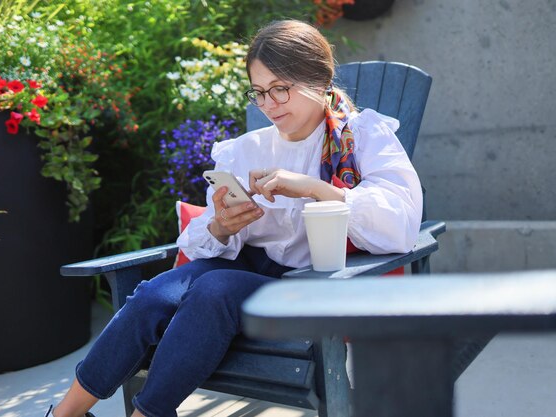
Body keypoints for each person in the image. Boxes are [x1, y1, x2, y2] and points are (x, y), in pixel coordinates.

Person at [47, 19, 422, 417]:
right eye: (259, 93)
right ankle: (64, 414)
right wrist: (223, 225)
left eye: (280, 89)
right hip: (242, 269)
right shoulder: (246, 150)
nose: (269, 105)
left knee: (214, 290)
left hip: (307, 283)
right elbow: (204, 239)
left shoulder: (361, 135)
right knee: (151, 296)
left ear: (319, 79)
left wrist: (313, 187)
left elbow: (401, 221)